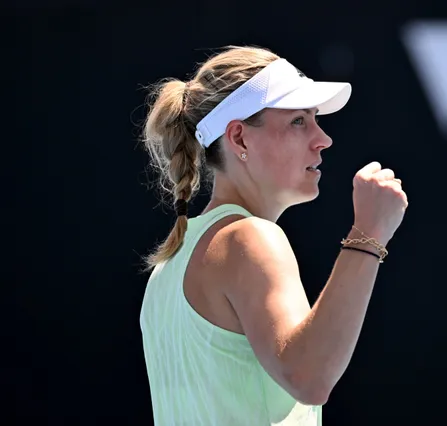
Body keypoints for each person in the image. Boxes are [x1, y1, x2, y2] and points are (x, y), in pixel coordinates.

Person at [139, 45, 408, 426]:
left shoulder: (169, 266)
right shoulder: (248, 239)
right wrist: (368, 233)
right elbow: (309, 377)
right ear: (241, 139)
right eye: (299, 121)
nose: (323, 139)